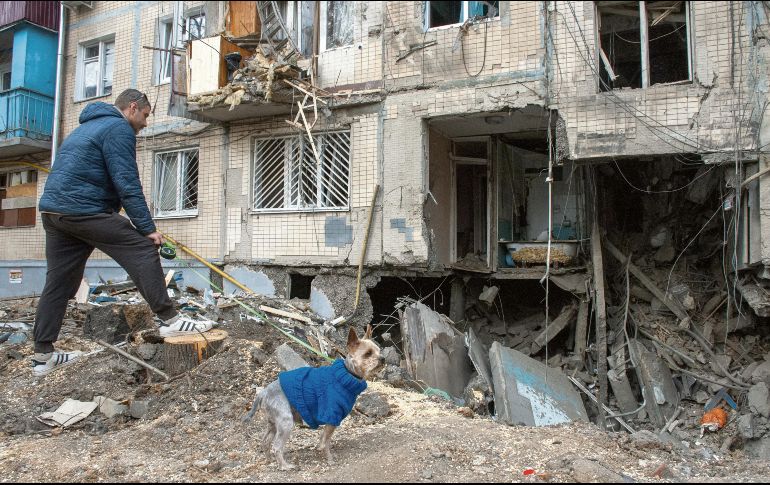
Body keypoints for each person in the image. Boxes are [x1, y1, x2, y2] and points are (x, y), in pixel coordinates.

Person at [31, 89, 213, 377]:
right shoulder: (118, 128)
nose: (145, 123)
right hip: (83, 210)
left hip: (54, 213)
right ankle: (170, 319)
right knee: (142, 248)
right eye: (145, 115)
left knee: (59, 282)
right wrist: (148, 229)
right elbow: (127, 181)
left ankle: (43, 357)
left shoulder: (85, 128)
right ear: (132, 108)